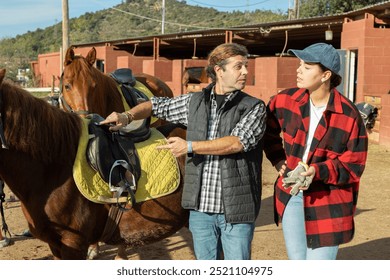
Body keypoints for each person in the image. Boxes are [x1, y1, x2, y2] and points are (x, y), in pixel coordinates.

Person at [100, 43, 267, 260]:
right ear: (219, 70)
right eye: (239, 66)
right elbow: (154, 105)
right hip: (200, 211)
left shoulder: (254, 107)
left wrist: (188, 146)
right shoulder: (194, 102)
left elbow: (236, 143)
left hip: (235, 211)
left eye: (245, 66)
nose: (245, 72)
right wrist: (127, 116)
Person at [264, 43, 368, 260]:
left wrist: (317, 171)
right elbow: (266, 129)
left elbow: (353, 166)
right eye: (300, 64)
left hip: (328, 202)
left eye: (307, 66)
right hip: (291, 196)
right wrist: (277, 158)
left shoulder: (349, 115)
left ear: (325, 75)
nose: (298, 70)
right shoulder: (285, 100)